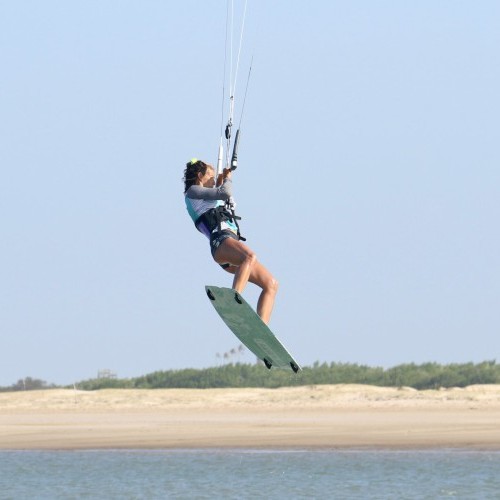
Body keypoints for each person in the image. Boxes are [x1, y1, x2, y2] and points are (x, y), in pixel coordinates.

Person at [183, 159, 278, 324]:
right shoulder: (192, 192)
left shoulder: (208, 198)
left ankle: (262, 329)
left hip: (230, 248)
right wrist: (228, 179)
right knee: (250, 256)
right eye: (210, 177)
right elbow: (225, 192)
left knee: (271, 284)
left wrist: (222, 177)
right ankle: (234, 301)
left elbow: (220, 194)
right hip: (220, 241)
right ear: (200, 177)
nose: (213, 181)